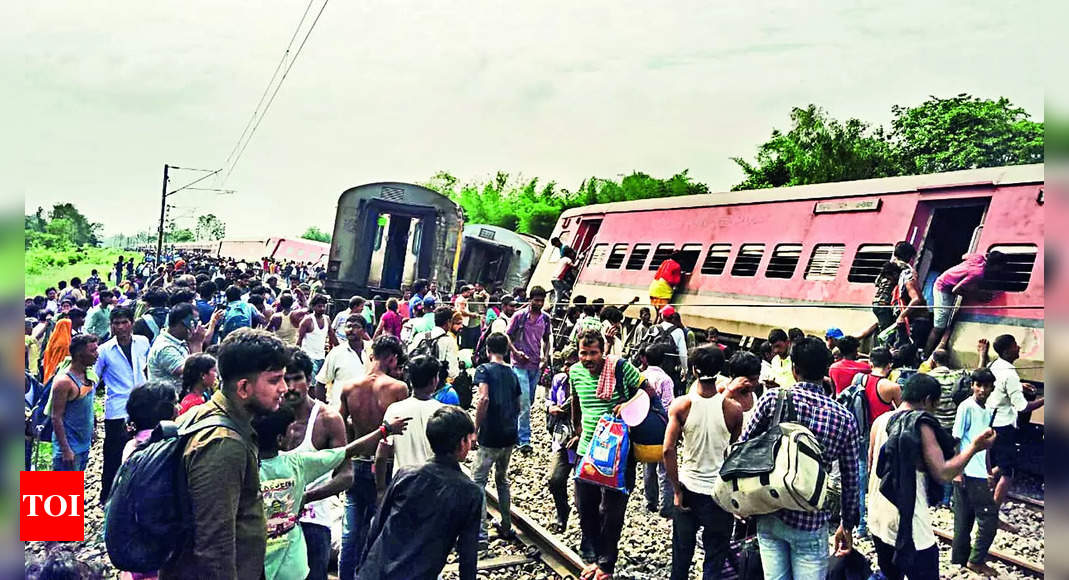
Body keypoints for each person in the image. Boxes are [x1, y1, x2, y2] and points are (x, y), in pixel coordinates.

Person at [159, 329, 289, 579]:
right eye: (274, 380)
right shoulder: (223, 445)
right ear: (243, 388)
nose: (283, 388)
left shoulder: (207, 414)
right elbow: (214, 548)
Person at [740, 337, 859, 579]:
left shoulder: (772, 400)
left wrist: (741, 498)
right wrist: (847, 524)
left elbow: (743, 448)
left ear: (794, 370)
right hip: (811, 519)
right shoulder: (843, 417)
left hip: (770, 509)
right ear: (825, 371)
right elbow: (851, 478)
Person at [254, 404, 408, 580]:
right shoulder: (296, 464)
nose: (294, 433)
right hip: (292, 567)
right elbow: (349, 450)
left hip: (259, 562)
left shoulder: (247, 469)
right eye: (291, 430)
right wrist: (385, 430)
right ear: (280, 439)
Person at [867, 374, 996, 580]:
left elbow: (871, 465)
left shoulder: (880, 421)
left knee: (891, 575)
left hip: (878, 517)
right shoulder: (921, 424)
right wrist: (974, 447)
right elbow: (943, 473)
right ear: (927, 400)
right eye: (934, 405)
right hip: (909, 527)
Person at [358, 406, 483, 580]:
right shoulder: (471, 493)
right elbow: (468, 555)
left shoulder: (406, 474)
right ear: (462, 443)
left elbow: (377, 526)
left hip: (374, 572)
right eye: (470, 439)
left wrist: (362, 567)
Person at [664, 346, 756, 580]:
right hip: (719, 494)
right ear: (720, 371)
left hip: (687, 488)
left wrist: (676, 490)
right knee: (715, 557)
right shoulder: (733, 410)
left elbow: (668, 450)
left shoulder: (681, 405)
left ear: (694, 370)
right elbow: (733, 445)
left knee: (681, 556)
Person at [569, 329, 644, 579]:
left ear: (603, 352)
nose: (588, 358)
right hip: (587, 450)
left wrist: (628, 405)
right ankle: (592, 555)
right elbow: (576, 402)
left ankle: (606, 563)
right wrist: (577, 429)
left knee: (612, 510)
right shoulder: (575, 372)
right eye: (583, 353)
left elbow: (649, 391)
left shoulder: (620, 368)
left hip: (619, 453)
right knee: (584, 505)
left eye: (593, 353)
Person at [338, 335, 411, 580]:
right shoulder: (398, 389)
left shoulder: (349, 387)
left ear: (372, 355)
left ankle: (346, 576)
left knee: (351, 530)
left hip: (357, 462)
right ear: (391, 358)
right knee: (381, 528)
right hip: (385, 466)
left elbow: (341, 428)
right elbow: (401, 432)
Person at [94, 307, 150, 502]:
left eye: (124, 322)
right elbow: (94, 379)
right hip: (117, 407)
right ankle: (107, 495)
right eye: (116, 323)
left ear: (131, 323)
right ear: (111, 326)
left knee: (142, 448)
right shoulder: (104, 351)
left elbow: (147, 368)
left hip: (142, 405)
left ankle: (132, 493)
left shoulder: (142, 343)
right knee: (113, 453)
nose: (120, 327)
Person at [472, 332, 523, 547]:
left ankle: (481, 535)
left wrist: (475, 428)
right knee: (502, 479)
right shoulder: (512, 373)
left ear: (487, 350)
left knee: (478, 482)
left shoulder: (483, 370)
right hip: (509, 434)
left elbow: (483, 398)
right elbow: (520, 404)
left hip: (490, 435)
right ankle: (507, 524)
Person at [950, 367, 999, 576]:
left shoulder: (987, 411)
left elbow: (985, 446)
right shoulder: (966, 407)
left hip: (978, 471)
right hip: (968, 471)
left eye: (986, 386)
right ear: (972, 386)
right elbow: (956, 438)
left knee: (965, 517)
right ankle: (976, 560)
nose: (981, 390)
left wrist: (988, 471)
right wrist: (957, 470)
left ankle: (960, 558)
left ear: (991, 388)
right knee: (989, 518)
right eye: (978, 385)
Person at [986, 334, 1044, 505]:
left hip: (992, 421)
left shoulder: (995, 364)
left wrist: (1019, 386)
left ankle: (986, 483)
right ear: (1007, 351)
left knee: (1001, 461)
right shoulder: (1010, 374)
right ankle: (993, 511)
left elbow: (999, 385)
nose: (1018, 347)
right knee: (1008, 473)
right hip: (1004, 426)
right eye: (1015, 345)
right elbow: (1023, 407)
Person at [377, 354, 445, 498]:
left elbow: (381, 454)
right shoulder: (442, 412)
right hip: (434, 488)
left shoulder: (395, 410)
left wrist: (381, 490)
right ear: (434, 380)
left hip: (402, 486)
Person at [927, 250, 1007, 354]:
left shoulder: (978, 257)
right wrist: (976, 295)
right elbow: (955, 290)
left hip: (947, 281)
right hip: (943, 287)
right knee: (939, 327)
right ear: (996, 266)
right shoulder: (978, 273)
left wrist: (961, 272)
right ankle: (925, 354)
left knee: (946, 322)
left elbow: (964, 256)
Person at [506, 285, 552, 455]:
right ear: (530, 300)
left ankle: (513, 430)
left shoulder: (545, 319)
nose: (539, 303)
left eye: (541, 300)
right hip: (519, 365)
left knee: (528, 401)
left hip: (535, 365)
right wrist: (516, 352)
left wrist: (546, 357)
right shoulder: (519, 316)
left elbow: (547, 340)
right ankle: (525, 440)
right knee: (525, 403)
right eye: (536, 300)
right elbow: (507, 336)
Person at [50, 334, 99, 471]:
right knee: (61, 491)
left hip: (83, 445)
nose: (97, 354)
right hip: (69, 448)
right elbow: (56, 417)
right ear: (79, 355)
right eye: (92, 351)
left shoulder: (88, 375)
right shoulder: (64, 382)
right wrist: (66, 450)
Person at [546, 346, 578, 533]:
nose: (567, 368)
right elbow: (549, 400)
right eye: (565, 364)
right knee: (555, 479)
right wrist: (552, 408)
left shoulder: (586, 383)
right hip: (563, 439)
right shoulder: (559, 380)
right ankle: (562, 511)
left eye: (571, 364)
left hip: (582, 440)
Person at [642, 342, 675, 518]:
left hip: (644, 425)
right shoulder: (665, 380)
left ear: (645, 359)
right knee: (665, 467)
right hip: (661, 426)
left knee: (649, 465)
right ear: (663, 360)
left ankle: (650, 502)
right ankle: (666, 506)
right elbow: (669, 405)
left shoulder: (641, 376)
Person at [146, 302, 207, 393]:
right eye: (194, 323)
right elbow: (194, 372)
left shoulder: (180, 340)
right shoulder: (165, 347)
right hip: (165, 402)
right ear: (182, 323)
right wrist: (197, 343)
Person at [316, 313, 367, 408]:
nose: (351, 330)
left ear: (364, 330)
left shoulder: (372, 350)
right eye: (348, 327)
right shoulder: (336, 353)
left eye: (356, 327)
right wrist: (324, 410)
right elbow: (320, 382)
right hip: (340, 409)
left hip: (366, 410)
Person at [297, 294, 331, 377]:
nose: (322, 309)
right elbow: (299, 340)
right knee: (311, 385)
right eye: (319, 306)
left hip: (321, 357)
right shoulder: (307, 321)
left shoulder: (327, 319)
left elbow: (332, 337)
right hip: (309, 357)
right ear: (313, 307)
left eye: (324, 306)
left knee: (319, 383)